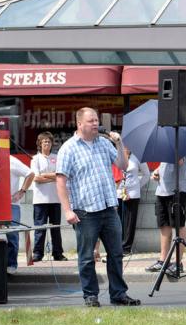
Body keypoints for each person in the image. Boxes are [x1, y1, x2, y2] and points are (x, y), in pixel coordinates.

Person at [56, 107, 140, 307]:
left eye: (96, 120)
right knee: (86, 257)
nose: (96, 124)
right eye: (91, 121)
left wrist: (119, 143)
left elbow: (123, 165)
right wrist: (67, 210)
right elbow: (60, 181)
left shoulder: (103, 143)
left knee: (116, 253)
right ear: (80, 124)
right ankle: (90, 295)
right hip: (85, 212)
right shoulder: (68, 148)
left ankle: (118, 294)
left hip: (109, 207)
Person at [145, 152, 186, 275]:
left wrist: (170, 146)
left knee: (179, 224)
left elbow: (180, 160)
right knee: (164, 224)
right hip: (162, 188)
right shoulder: (168, 139)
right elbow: (165, 164)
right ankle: (163, 261)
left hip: (178, 188)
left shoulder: (184, 138)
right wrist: (157, 171)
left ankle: (178, 262)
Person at [30, 131, 67, 262]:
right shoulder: (35, 159)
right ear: (40, 144)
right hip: (40, 200)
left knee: (55, 228)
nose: (47, 143)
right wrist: (52, 177)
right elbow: (36, 178)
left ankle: (58, 253)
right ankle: (38, 253)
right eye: (44, 141)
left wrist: (47, 175)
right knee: (40, 228)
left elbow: (61, 174)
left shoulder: (57, 157)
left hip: (55, 199)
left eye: (49, 141)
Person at [118, 148, 149, 256]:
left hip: (132, 195)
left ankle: (126, 248)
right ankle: (117, 246)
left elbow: (146, 174)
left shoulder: (138, 156)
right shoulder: (116, 155)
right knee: (118, 221)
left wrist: (137, 186)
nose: (125, 147)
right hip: (118, 193)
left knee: (130, 222)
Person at [7, 155, 34, 274]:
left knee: (12, 234)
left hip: (12, 205)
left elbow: (30, 173)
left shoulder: (11, 160)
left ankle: (11, 264)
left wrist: (22, 191)